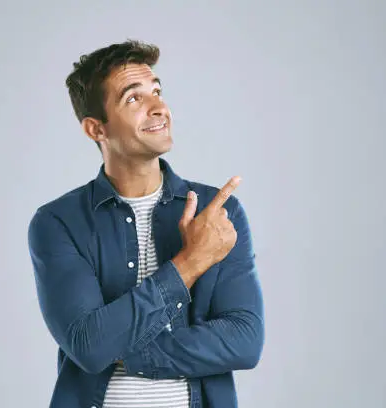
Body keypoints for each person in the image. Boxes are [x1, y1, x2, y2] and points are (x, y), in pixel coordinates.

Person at [27, 39, 265, 408]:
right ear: (96, 129)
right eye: (134, 99)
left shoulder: (218, 213)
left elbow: (244, 340)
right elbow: (90, 348)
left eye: (157, 91)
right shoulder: (58, 222)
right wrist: (190, 263)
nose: (159, 108)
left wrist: (128, 352)